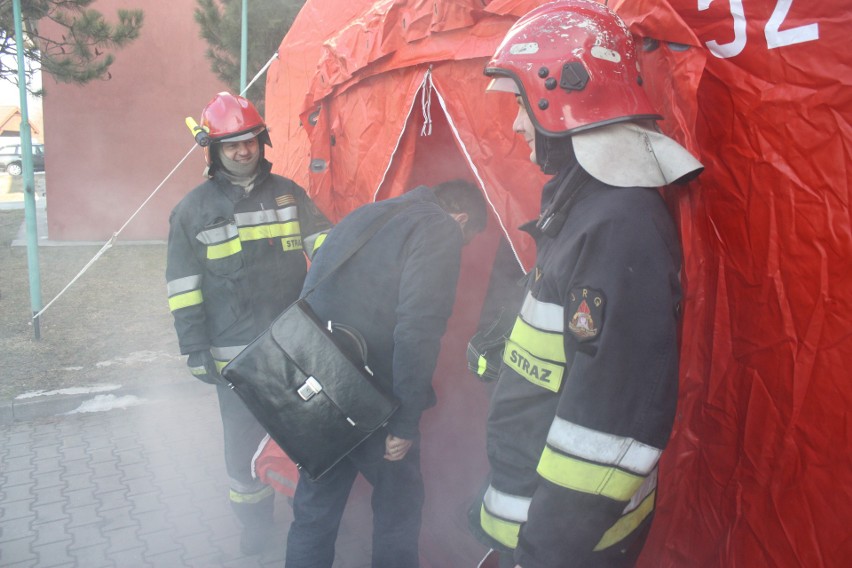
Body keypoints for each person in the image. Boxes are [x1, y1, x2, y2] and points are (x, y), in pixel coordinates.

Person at [469, 2, 704, 567]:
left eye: (522, 105)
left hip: (567, 547)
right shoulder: (586, 209)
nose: (517, 124)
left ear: (564, 97)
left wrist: (543, 555)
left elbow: (608, 426)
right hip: (542, 530)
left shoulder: (618, 228)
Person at [284, 179, 488, 568]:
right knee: (400, 507)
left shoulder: (370, 212)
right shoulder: (439, 226)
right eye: (466, 240)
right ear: (460, 219)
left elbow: (312, 290)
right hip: (370, 397)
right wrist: (406, 423)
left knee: (314, 511)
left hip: (319, 382)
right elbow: (418, 330)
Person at [165, 92, 331, 555]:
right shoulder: (191, 211)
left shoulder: (288, 193)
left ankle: (309, 512)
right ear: (214, 151)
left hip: (293, 344)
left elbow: (325, 244)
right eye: (231, 144)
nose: (243, 151)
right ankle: (255, 522)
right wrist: (194, 350)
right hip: (233, 356)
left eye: (250, 141)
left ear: (262, 142)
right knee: (242, 447)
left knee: (304, 434)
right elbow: (183, 288)